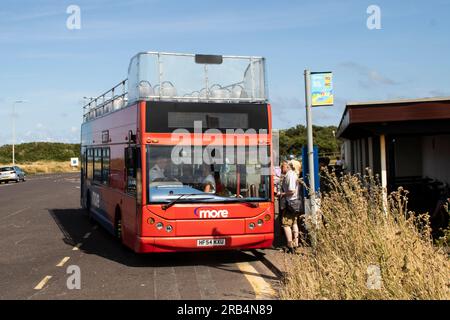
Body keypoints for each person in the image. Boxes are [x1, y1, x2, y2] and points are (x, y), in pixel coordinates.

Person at [278, 160, 302, 254]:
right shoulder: (292, 174)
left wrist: (282, 194)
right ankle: (295, 244)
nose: (281, 168)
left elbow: (291, 190)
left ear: (287, 167)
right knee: (294, 223)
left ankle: (290, 245)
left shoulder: (290, 175)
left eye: (282, 166)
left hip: (290, 202)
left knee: (286, 224)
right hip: (295, 202)